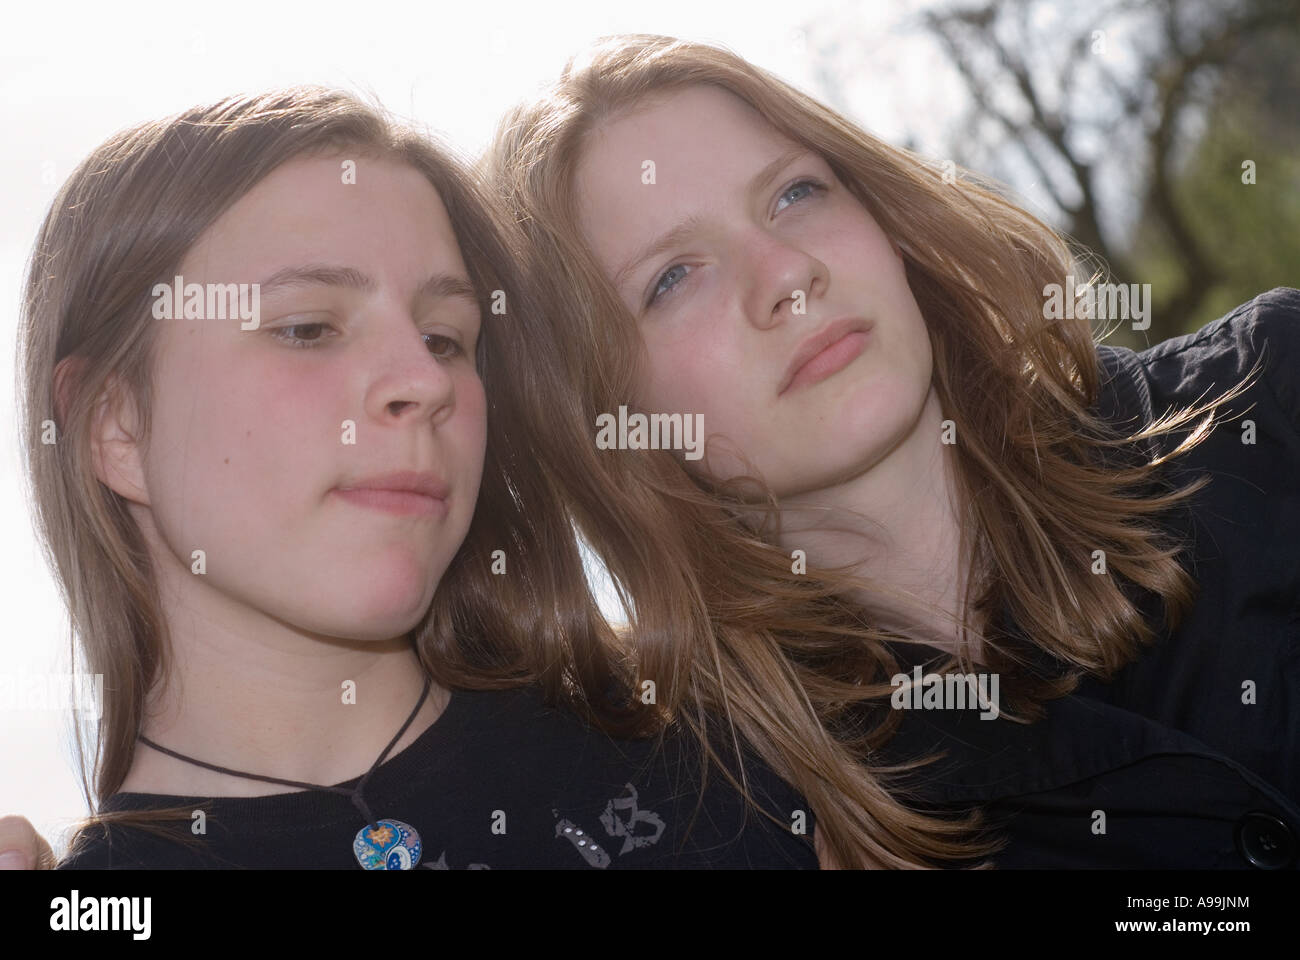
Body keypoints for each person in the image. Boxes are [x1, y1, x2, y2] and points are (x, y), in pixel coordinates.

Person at [480, 33, 1300, 868]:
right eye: (672, 277)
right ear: (604, 419)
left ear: (883, 217)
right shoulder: (735, 819)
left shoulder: (1273, 394)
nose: (787, 272)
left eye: (796, 193)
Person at [10, 87, 817, 869]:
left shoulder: (723, 747)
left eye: (444, 339)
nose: (425, 384)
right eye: (308, 328)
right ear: (115, 426)